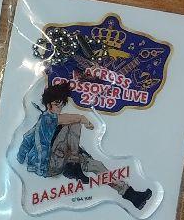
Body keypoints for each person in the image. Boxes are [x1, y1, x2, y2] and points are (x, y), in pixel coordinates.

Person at [17, 81, 152, 210]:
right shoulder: (46, 118)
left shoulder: (50, 122)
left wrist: (20, 158)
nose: (59, 107)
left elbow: (27, 138)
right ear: (48, 105)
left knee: (97, 166)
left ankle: (132, 196)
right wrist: (83, 119)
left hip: (62, 159)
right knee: (74, 123)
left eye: (61, 104)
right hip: (49, 164)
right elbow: (30, 138)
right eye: (56, 104)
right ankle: (74, 164)